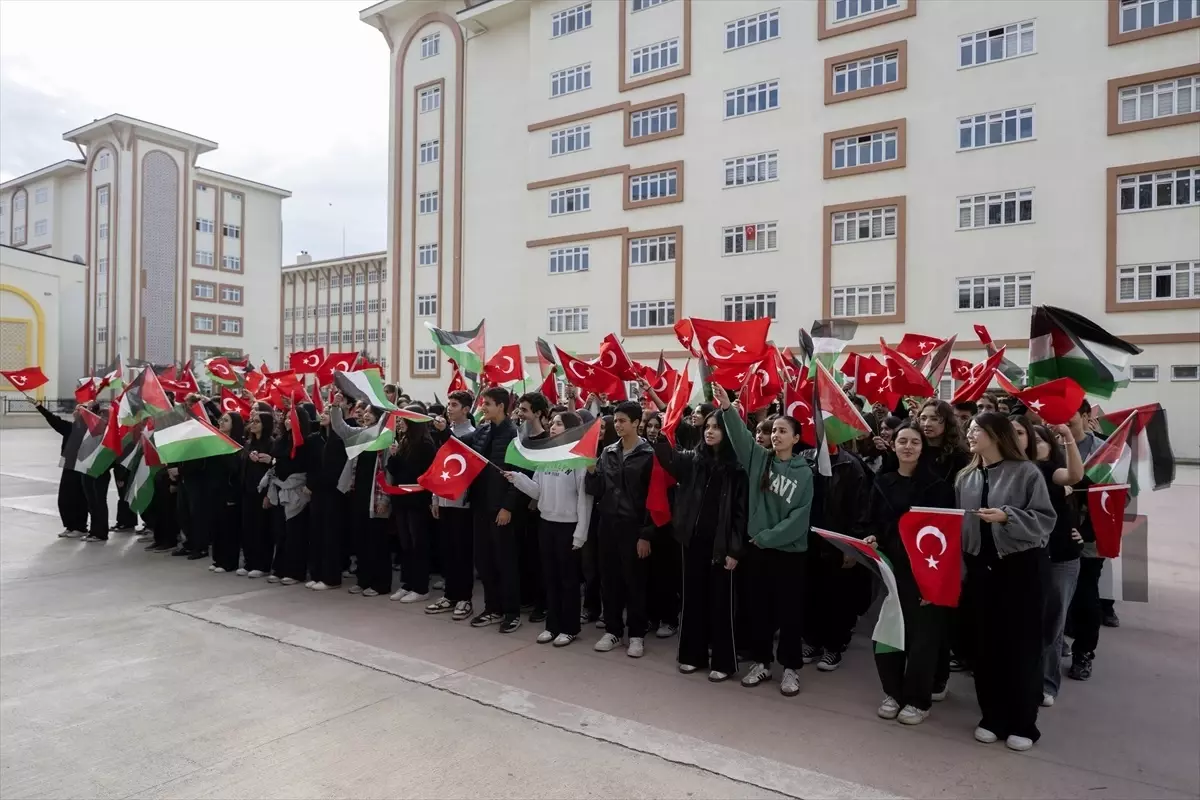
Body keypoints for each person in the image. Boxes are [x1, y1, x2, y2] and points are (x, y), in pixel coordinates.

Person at [956, 412, 1056, 752]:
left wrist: (1008, 517)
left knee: (1021, 647)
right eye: (969, 431)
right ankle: (992, 717)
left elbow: (1045, 520)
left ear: (996, 435)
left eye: (975, 431)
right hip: (979, 571)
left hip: (1020, 570)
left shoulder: (1027, 472)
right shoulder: (965, 478)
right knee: (985, 647)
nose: (969, 436)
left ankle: (1023, 723)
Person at [713, 384, 814, 698]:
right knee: (758, 609)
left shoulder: (804, 473)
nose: (778, 435)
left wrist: (767, 537)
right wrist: (728, 408)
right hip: (758, 551)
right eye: (775, 430)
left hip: (788, 553)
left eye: (784, 431)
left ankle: (790, 669)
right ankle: (761, 662)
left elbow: (800, 518)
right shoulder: (759, 459)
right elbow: (742, 437)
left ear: (796, 439)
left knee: (789, 613)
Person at [865, 422, 956, 725]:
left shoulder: (938, 487)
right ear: (893, 446)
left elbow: (947, 535)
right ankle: (892, 692)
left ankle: (918, 700)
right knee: (889, 634)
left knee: (923, 639)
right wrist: (871, 538)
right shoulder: (882, 481)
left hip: (926, 572)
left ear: (922, 447)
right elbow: (870, 522)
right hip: (891, 572)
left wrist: (935, 583)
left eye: (914, 442)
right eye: (901, 441)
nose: (907, 446)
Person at [652, 411, 748, 681]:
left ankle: (723, 662)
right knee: (693, 600)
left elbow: (741, 514)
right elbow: (668, 457)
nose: (710, 431)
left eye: (717, 427)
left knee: (721, 603)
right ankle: (691, 656)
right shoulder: (693, 460)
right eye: (707, 426)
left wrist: (735, 550)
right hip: (692, 542)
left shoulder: (737, 469)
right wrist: (663, 432)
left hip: (722, 547)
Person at [505, 410, 592, 647]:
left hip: (569, 527)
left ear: (572, 429)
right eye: (552, 423)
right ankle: (552, 626)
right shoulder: (547, 457)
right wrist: (518, 479)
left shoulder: (578, 458)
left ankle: (570, 627)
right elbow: (538, 491)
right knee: (550, 578)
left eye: (559, 424)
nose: (552, 427)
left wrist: (580, 534)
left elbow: (585, 499)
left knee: (568, 580)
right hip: (546, 524)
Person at [1019, 422, 1084, 707]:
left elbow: (1075, 474)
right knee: (1026, 621)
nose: (1033, 444)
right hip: (1027, 557)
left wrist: (1069, 436)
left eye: (1039, 440)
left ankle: (1047, 684)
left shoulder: (1052, 472)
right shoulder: (1016, 472)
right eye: (1025, 438)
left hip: (1060, 557)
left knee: (1053, 624)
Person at [586, 400, 655, 657]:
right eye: (616, 421)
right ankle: (613, 630)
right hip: (608, 525)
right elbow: (596, 491)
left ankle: (636, 634)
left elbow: (653, 498)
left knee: (635, 582)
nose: (618, 425)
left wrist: (646, 533)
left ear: (637, 422)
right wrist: (592, 473)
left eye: (623, 421)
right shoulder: (608, 452)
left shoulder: (648, 455)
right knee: (609, 580)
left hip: (633, 527)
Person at [802, 439, 872, 673]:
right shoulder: (805, 458)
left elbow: (860, 510)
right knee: (811, 593)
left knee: (837, 597)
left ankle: (834, 647)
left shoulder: (851, 465)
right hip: (808, 540)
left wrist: (851, 547)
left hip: (837, 543)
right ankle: (812, 642)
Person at [463, 387, 527, 634]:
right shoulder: (482, 430)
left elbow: (520, 474)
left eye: (488, 403)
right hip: (480, 505)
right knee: (484, 561)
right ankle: (492, 608)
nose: (484, 407)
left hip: (501, 509)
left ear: (501, 406)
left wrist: (508, 506)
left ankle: (511, 612)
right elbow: (464, 451)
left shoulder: (515, 435)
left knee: (506, 562)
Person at [1065, 399, 1109, 683]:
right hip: (1056, 535)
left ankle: (1084, 653)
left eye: (1069, 419)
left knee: (1085, 598)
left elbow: (1115, 498)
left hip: (1088, 539)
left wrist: (1089, 532)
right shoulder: (1049, 445)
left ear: (1085, 416)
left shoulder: (1104, 451)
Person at [332, 404, 392, 597]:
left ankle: (380, 584)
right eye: (364, 412)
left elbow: (388, 472)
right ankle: (363, 580)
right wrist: (335, 406)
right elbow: (339, 427)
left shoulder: (385, 439)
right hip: (359, 495)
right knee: (361, 541)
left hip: (377, 498)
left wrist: (386, 499)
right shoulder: (359, 435)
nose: (365, 416)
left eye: (370, 413)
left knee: (378, 542)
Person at [427, 390, 477, 620]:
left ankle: (464, 598)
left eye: (454, 404)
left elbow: (461, 454)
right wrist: (435, 498)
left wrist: (444, 433)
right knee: (447, 550)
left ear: (466, 410)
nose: (450, 408)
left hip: (462, 503)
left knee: (462, 552)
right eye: (449, 404)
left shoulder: (472, 434)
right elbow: (439, 467)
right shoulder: (445, 434)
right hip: (445, 499)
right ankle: (450, 594)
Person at [388, 409, 437, 603]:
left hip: (417, 501)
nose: (399, 423)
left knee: (418, 544)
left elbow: (419, 473)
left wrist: (399, 459)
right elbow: (396, 470)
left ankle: (420, 587)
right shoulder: (404, 442)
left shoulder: (426, 445)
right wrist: (394, 455)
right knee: (405, 544)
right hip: (401, 500)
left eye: (403, 420)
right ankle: (407, 583)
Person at [265, 404, 316, 584]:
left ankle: (295, 572)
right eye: (286, 417)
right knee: (281, 532)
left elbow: (307, 466)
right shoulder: (281, 440)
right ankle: (279, 568)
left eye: (291, 418)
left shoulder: (306, 442)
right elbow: (277, 460)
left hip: (296, 492)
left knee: (296, 533)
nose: (287, 421)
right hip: (280, 490)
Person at [517, 392, 551, 624]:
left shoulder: (549, 441)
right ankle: (527, 595)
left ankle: (543, 603)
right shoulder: (519, 438)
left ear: (538, 413)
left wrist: (536, 500)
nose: (520, 414)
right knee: (524, 555)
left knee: (540, 558)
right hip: (519, 505)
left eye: (525, 410)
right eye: (519, 409)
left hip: (539, 507)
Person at [308, 398, 349, 591]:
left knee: (330, 535)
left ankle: (331, 578)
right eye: (322, 411)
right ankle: (317, 574)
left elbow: (337, 469)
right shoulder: (316, 438)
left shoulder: (340, 439)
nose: (323, 414)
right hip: (317, 492)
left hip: (333, 493)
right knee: (316, 533)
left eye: (329, 412)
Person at [581, 415, 616, 627]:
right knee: (589, 566)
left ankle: (608, 610)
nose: (600, 431)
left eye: (604, 427)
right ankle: (590, 607)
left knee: (607, 568)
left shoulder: (614, 453)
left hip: (609, 516)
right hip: (590, 515)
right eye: (598, 427)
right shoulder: (591, 451)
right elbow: (590, 486)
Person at [36, 401, 89, 538]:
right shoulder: (71, 428)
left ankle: (80, 527)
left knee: (78, 498)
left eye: (78, 410)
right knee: (65, 498)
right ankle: (70, 526)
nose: (74, 412)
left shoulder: (90, 431)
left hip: (81, 467)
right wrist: (39, 407)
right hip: (68, 466)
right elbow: (55, 421)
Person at [240, 411, 276, 578]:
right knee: (248, 528)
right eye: (252, 421)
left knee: (262, 529)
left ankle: (262, 565)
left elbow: (274, 470)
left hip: (262, 492)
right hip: (248, 491)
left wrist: (268, 460)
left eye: (257, 422)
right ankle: (249, 562)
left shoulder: (271, 444)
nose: (253, 424)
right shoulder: (248, 443)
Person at [210, 412, 245, 573]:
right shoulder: (216, 442)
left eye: (226, 420)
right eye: (221, 420)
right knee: (216, 525)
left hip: (231, 492)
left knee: (229, 528)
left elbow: (235, 469)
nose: (221, 423)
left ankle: (229, 562)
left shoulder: (238, 445)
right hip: (216, 490)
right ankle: (218, 559)